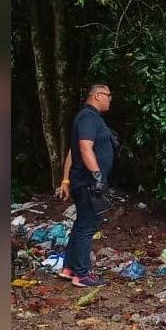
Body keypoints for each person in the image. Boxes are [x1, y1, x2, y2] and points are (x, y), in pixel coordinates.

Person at [55, 83, 118, 287]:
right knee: (87, 225)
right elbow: (83, 148)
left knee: (81, 223)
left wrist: (65, 179)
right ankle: (81, 274)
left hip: (82, 180)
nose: (111, 99)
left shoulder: (88, 118)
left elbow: (72, 152)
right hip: (88, 182)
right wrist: (98, 177)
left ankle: (70, 267)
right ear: (98, 95)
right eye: (109, 95)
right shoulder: (89, 117)